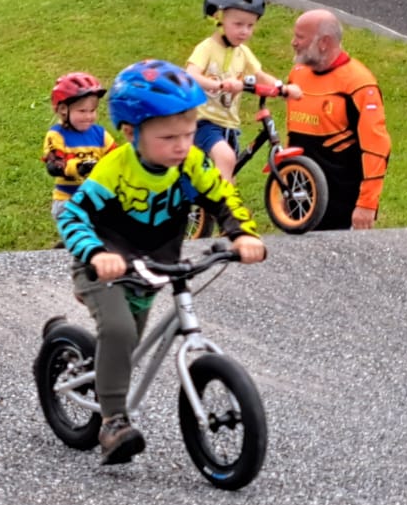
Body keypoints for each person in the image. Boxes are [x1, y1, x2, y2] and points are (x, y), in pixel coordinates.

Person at [56, 59, 265, 465]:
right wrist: (97, 254)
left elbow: (221, 195)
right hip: (102, 264)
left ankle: (92, 361)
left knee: (127, 341)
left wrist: (242, 234)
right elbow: (73, 215)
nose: (182, 145)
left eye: (188, 134)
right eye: (168, 137)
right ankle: (113, 422)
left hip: (152, 267)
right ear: (131, 132)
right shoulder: (115, 169)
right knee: (120, 332)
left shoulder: (189, 163)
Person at [185, 0, 301, 182]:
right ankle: (223, 202)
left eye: (250, 25)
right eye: (238, 24)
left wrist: (282, 88)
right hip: (204, 122)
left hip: (230, 125)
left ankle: (219, 201)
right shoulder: (207, 48)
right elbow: (190, 74)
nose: (244, 31)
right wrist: (218, 85)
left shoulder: (243, 53)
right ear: (218, 18)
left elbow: (260, 76)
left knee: (229, 173)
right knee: (226, 158)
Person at [286, 9, 392, 231]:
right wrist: (286, 188)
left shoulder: (359, 85)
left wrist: (367, 204)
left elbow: (376, 149)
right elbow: (293, 136)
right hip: (300, 202)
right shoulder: (298, 75)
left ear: (324, 42)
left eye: (300, 37)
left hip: (342, 207)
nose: (294, 42)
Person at [41, 72, 116, 225]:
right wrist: (80, 167)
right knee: (82, 234)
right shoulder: (56, 135)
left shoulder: (100, 134)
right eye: (82, 111)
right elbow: (54, 165)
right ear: (63, 110)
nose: (89, 116)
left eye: (92, 110)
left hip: (96, 198)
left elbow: (116, 158)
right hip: (68, 200)